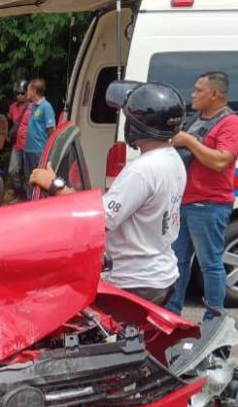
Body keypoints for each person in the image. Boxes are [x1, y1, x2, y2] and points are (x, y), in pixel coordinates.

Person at [30, 82, 187, 305]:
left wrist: (54, 185)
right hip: (158, 274)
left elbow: (99, 219)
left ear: (136, 126)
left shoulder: (142, 170)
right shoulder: (172, 158)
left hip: (133, 281)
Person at [166, 71, 238, 318]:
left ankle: (213, 319)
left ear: (215, 93)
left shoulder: (231, 123)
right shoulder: (195, 119)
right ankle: (171, 313)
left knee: (209, 264)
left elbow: (221, 161)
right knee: (176, 262)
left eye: (198, 90)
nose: (193, 94)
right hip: (183, 203)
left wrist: (189, 141)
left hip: (210, 205)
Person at [21, 78, 56, 197]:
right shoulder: (33, 106)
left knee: (40, 181)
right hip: (29, 150)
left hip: (40, 151)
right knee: (29, 180)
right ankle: (30, 202)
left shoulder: (46, 107)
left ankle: (40, 203)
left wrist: (50, 150)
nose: (27, 93)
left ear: (33, 91)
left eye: (28, 89)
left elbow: (51, 130)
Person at [6, 80, 31, 197]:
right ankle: (19, 191)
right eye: (17, 94)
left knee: (28, 172)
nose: (20, 96)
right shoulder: (12, 107)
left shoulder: (33, 107)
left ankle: (28, 195)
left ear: (28, 93)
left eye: (22, 93)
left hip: (30, 144)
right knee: (12, 170)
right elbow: (9, 122)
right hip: (17, 143)